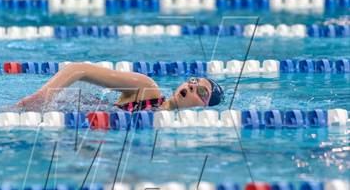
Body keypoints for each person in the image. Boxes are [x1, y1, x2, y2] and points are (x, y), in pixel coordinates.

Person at [17, 62, 224, 112]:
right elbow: (79, 69)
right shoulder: (148, 90)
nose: (191, 87)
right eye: (194, 82)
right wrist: (45, 95)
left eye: (202, 92)